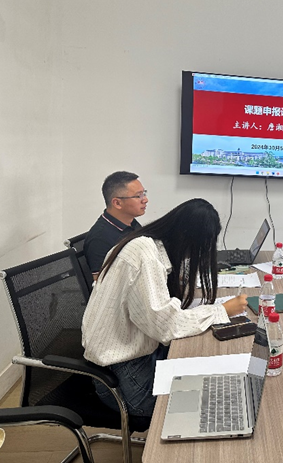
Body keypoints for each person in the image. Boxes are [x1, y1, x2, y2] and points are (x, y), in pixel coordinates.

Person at [81, 198, 248, 419]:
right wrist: (222, 310)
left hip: (133, 362)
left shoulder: (147, 244)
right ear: (187, 239)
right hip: (124, 383)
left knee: (217, 375)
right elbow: (165, 327)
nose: (191, 256)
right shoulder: (145, 257)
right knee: (216, 399)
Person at [84, 171, 148, 278]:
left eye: (144, 193)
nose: (145, 200)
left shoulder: (131, 222)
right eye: (138, 196)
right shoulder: (99, 239)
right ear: (117, 203)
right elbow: (101, 283)